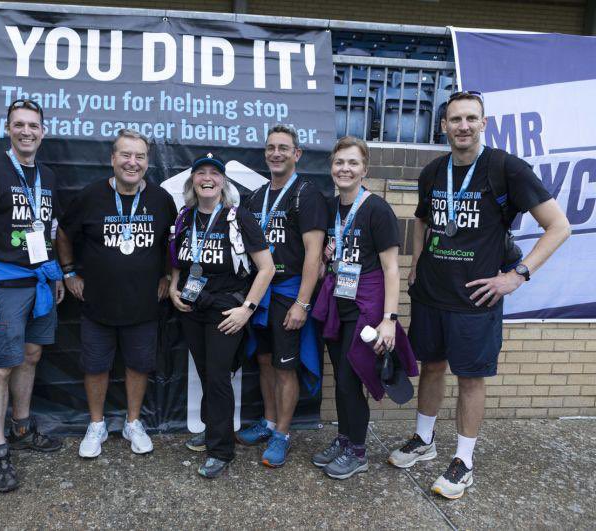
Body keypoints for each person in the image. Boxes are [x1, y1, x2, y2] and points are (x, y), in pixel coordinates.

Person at [388, 91, 571, 499]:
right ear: (444, 126)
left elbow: (559, 226)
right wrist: (417, 264)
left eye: (471, 118)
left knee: (471, 379)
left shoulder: (506, 168)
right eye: (455, 119)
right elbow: (422, 221)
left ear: (483, 123)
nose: (463, 126)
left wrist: (518, 275)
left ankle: (464, 462)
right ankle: (424, 440)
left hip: (477, 300)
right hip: (432, 295)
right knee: (432, 367)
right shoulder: (433, 171)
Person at [0, 99, 64, 493]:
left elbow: (48, 229)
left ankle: (21, 427)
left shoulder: (48, 176)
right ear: (7, 129)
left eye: (33, 125)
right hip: (0, 285)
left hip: (38, 282)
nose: (26, 131)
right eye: (19, 124)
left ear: (43, 131)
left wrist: (53, 274)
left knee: (31, 355)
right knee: (0, 367)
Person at [57, 129, 177, 459]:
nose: (132, 162)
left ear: (147, 162)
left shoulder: (160, 200)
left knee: (139, 365)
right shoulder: (90, 196)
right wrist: (68, 271)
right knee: (95, 366)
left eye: (139, 156)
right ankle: (96, 424)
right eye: (125, 155)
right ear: (112, 159)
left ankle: (133, 422)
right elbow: (64, 233)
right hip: (97, 302)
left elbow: (172, 241)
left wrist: (168, 273)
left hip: (143, 304)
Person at [310, 136, 418, 480]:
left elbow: (391, 268)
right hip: (336, 304)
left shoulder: (377, 209)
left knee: (348, 378)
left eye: (352, 163)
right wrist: (329, 258)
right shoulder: (330, 207)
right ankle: (344, 440)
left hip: (366, 306)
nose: (345, 168)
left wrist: (390, 319)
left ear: (364, 169)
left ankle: (358, 451)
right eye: (339, 162)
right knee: (342, 381)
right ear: (332, 168)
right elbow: (334, 252)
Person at [169, 153, 275, 478]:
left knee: (217, 378)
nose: (207, 178)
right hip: (191, 308)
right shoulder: (184, 218)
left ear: (223, 182)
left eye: (214, 173)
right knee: (207, 374)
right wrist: (174, 289)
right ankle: (214, 429)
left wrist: (247, 309)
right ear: (193, 181)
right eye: (200, 172)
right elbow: (178, 261)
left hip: (226, 310)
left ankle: (221, 451)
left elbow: (267, 268)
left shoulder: (238, 217)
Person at [236, 124, 328, 467]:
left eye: (284, 148)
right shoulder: (256, 196)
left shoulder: (307, 194)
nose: (276, 153)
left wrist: (302, 303)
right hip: (261, 294)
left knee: (285, 367)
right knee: (263, 361)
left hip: (290, 293)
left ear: (297, 154)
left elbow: (313, 254)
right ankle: (269, 422)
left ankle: (283, 434)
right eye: (271, 148)